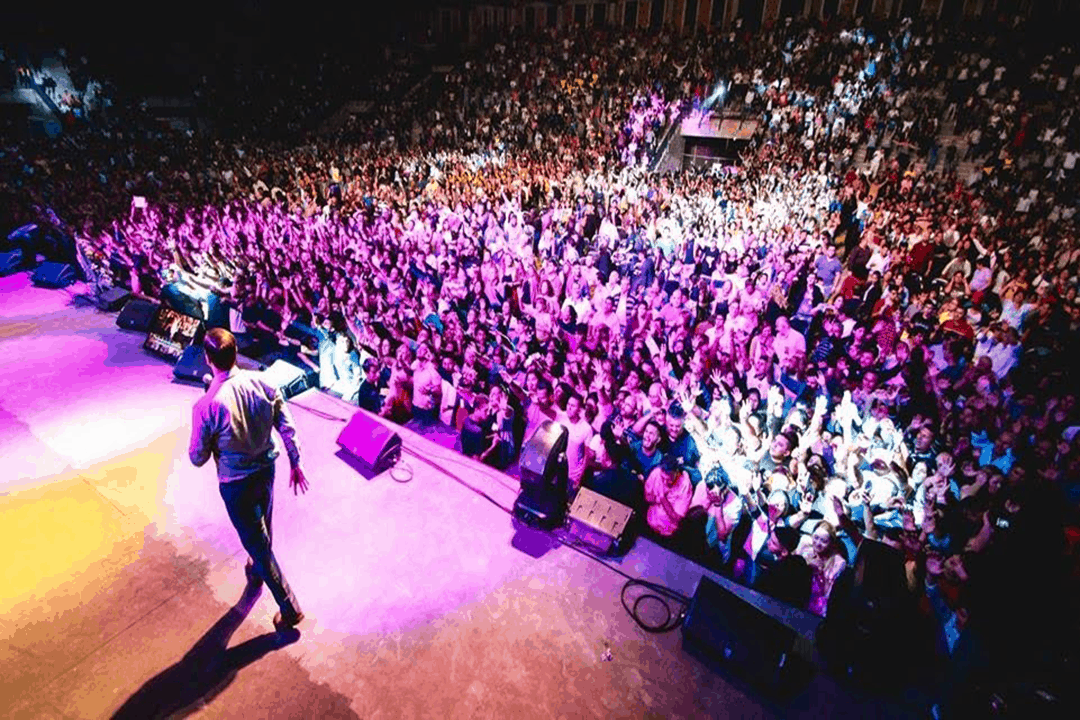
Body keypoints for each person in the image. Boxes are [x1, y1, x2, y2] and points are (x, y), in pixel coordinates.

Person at [189, 328, 308, 629]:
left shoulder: (207, 406)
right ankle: (257, 566)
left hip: (236, 483)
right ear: (236, 352)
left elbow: (197, 457)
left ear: (207, 359)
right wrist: (296, 462)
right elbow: (287, 427)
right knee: (264, 525)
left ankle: (290, 608)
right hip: (266, 469)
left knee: (257, 543)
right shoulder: (264, 382)